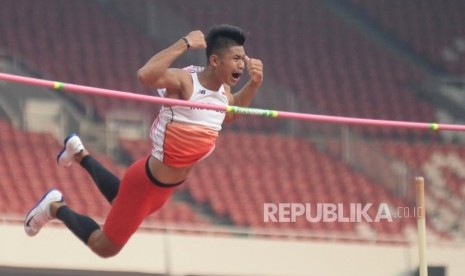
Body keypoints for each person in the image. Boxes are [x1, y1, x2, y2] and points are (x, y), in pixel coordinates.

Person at [24, 24, 263, 258]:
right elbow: (145, 76)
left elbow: (230, 114)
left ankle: (78, 154)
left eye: (243, 58)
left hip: (162, 187)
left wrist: (253, 84)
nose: (242, 64)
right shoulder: (186, 82)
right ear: (215, 61)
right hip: (147, 183)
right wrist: (185, 43)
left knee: (121, 200)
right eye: (236, 58)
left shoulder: (223, 93)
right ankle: (54, 207)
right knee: (105, 247)